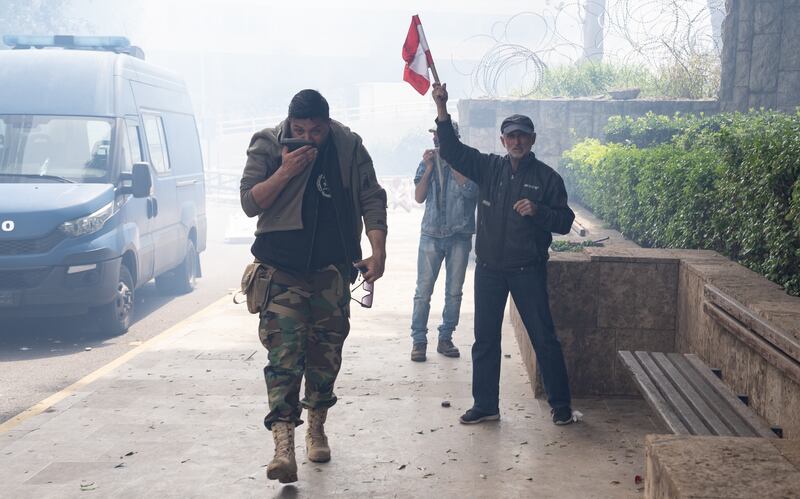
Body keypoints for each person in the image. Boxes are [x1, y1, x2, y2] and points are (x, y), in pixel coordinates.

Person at [240, 89, 387, 483]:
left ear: (328, 124)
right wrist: (285, 170)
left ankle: (317, 425)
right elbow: (250, 202)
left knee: (325, 356)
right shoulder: (268, 143)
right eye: (299, 129)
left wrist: (378, 251)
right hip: (280, 269)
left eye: (316, 131)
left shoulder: (348, 145)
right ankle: (283, 445)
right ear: (289, 124)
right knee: (283, 359)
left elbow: (372, 197)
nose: (307, 138)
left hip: (332, 271)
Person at [430, 82, 576, 426]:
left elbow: (566, 222)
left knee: (544, 339)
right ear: (502, 141)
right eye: (511, 137)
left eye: (523, 136)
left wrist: (538, 211)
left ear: (533, 139)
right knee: (485, 340)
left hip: (528, 270)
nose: (517, 142)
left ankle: (561, 405)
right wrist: (442, 109)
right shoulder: (489, 168)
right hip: (490, 270)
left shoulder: (547, 178)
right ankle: (486, 405)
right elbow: (451, 149)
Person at [410, 122, 478, 362]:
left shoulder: (469, 161)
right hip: (431, 234)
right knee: (423, 292)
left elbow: (472, 192)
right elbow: (419, 197)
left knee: (454, 293)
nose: (439, 144)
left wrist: (454, 162)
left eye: (444, 140)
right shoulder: (427, 162)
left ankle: (446, 337)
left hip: (459, 235)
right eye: (437, 139)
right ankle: (419, 340)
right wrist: (429, 168)